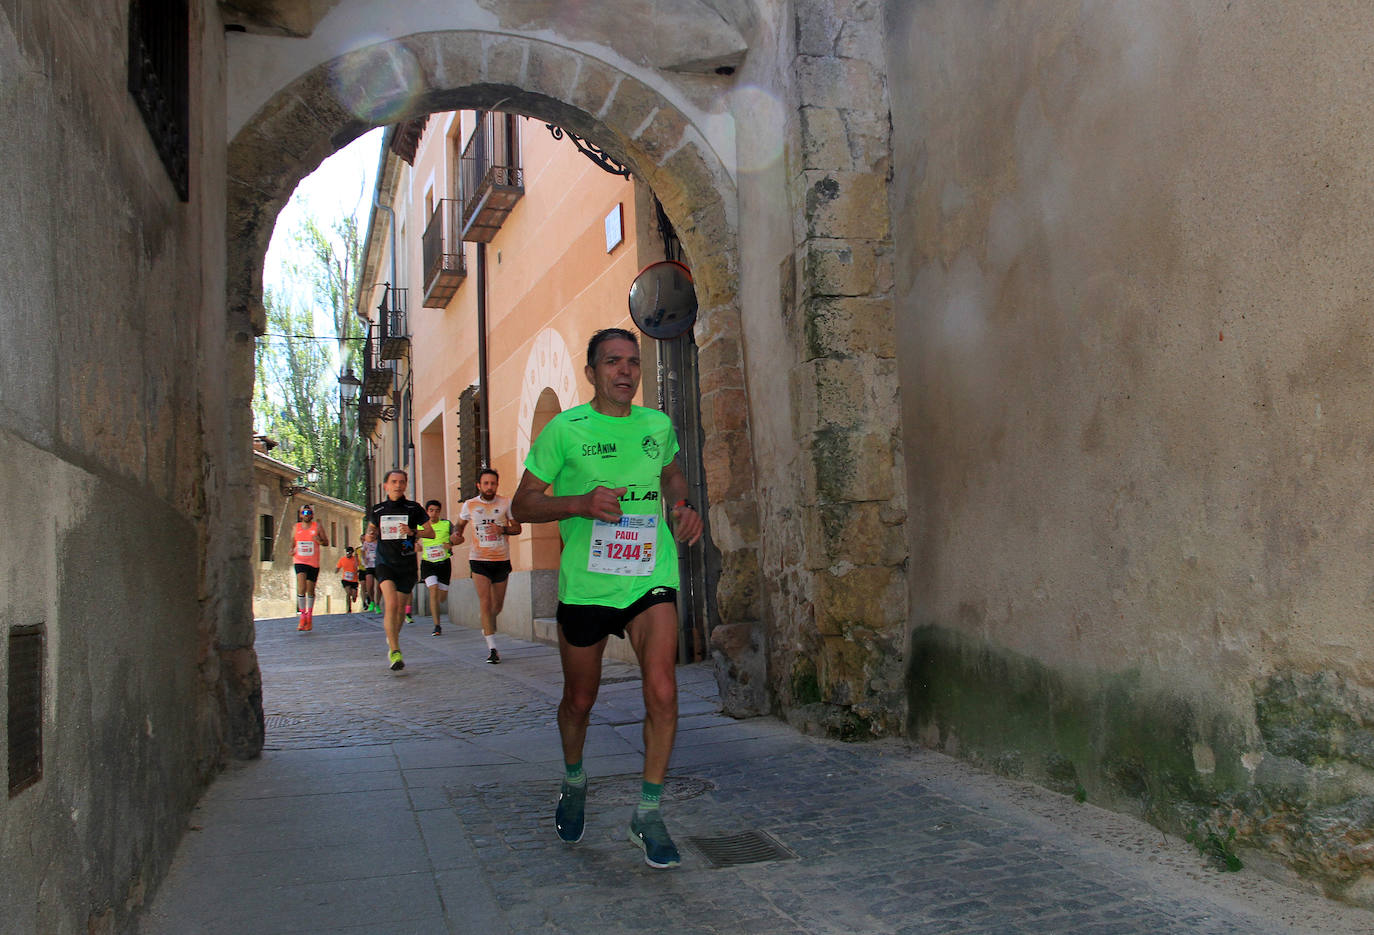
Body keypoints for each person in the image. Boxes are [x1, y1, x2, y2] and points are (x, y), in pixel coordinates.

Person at [512, 327, 702, 870]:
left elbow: (670, 472)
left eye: (633, 361)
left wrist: (682, 503)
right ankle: (574, 778)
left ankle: (647, 813)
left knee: (662, 689)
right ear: (591, 373)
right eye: (613, 362)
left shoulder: (657, 425)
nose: (625, 370)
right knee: (580, 700)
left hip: (648, 576)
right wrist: (578, 503)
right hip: (588, 585)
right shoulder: (565, 431)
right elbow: (524, 505)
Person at [367, 470, 435, 671]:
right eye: (394, 482)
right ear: (385, 486)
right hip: (385, 562)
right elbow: (370, 531)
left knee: (399, 609)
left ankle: (392, 639)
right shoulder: (378, 509)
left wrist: (413, 532)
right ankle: (395, 651)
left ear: (406, 485)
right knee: (391, 603)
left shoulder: (413, 508)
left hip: (406, 563)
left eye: (402, 482)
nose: (398, 485)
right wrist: (369, 536)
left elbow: (430, 532)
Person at [456, 468, 522, 663]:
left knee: (497, 606)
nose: (489, 487)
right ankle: (492, 648)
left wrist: (501, 529)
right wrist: (455, 535)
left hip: (501, 560)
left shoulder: (505, 503)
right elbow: (459, 526)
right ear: (479, 485)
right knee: (485, 602)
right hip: (479, 560)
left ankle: (487, 622)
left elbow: (517, 528)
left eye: (493, 483)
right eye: (486, 483)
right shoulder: (470, 505)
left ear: (497, 485)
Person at [418, 499, 461, 636]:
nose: (434, 513)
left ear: (440, 512)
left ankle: (436, 606)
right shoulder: (421, 526)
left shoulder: (446, 524)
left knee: (441, 597)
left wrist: (451, 543)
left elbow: (458, 536)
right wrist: (413, 546)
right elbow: (410, 540)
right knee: (433, 590)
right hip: (428, 563)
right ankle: (437, 626)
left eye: (436, 511)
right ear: (427, 512)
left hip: (443, 563)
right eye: (431, 510)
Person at [290, 504, 330, 631]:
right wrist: (291, 550)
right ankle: (302, 617)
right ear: (300, 515)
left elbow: (326, 542)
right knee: (301, 587)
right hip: (300, 560)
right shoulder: (296, 527)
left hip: (313, 562)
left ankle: (309, 617)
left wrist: (319, 541)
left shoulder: (317, 527)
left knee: (310, 590)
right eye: (304, 513)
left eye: (308, 513)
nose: (306, 515)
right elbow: (292, 543)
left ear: (312, 515)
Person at [360, 524, 380, 612]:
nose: (373, 533)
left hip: (379, 565)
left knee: (379, 586)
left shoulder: (380, 542)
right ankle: (372, 601)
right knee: (369, 584)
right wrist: (364, 560)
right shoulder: (367, 542)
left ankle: (378, 604)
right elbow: (362, 551)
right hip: (369, 565)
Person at [335, 546, 361, 612]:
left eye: (349, 553)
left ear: (352, 553)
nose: (348, 554)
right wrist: (336, 570)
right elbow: (338, 567)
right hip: (345, 579)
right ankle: (348, 608)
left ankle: (354, 597)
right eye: (347, 552)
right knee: (348, 593)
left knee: (354, 596)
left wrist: (357, 571)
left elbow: (359, 566)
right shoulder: (342, 559)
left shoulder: (355, 559)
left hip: (354, 580)